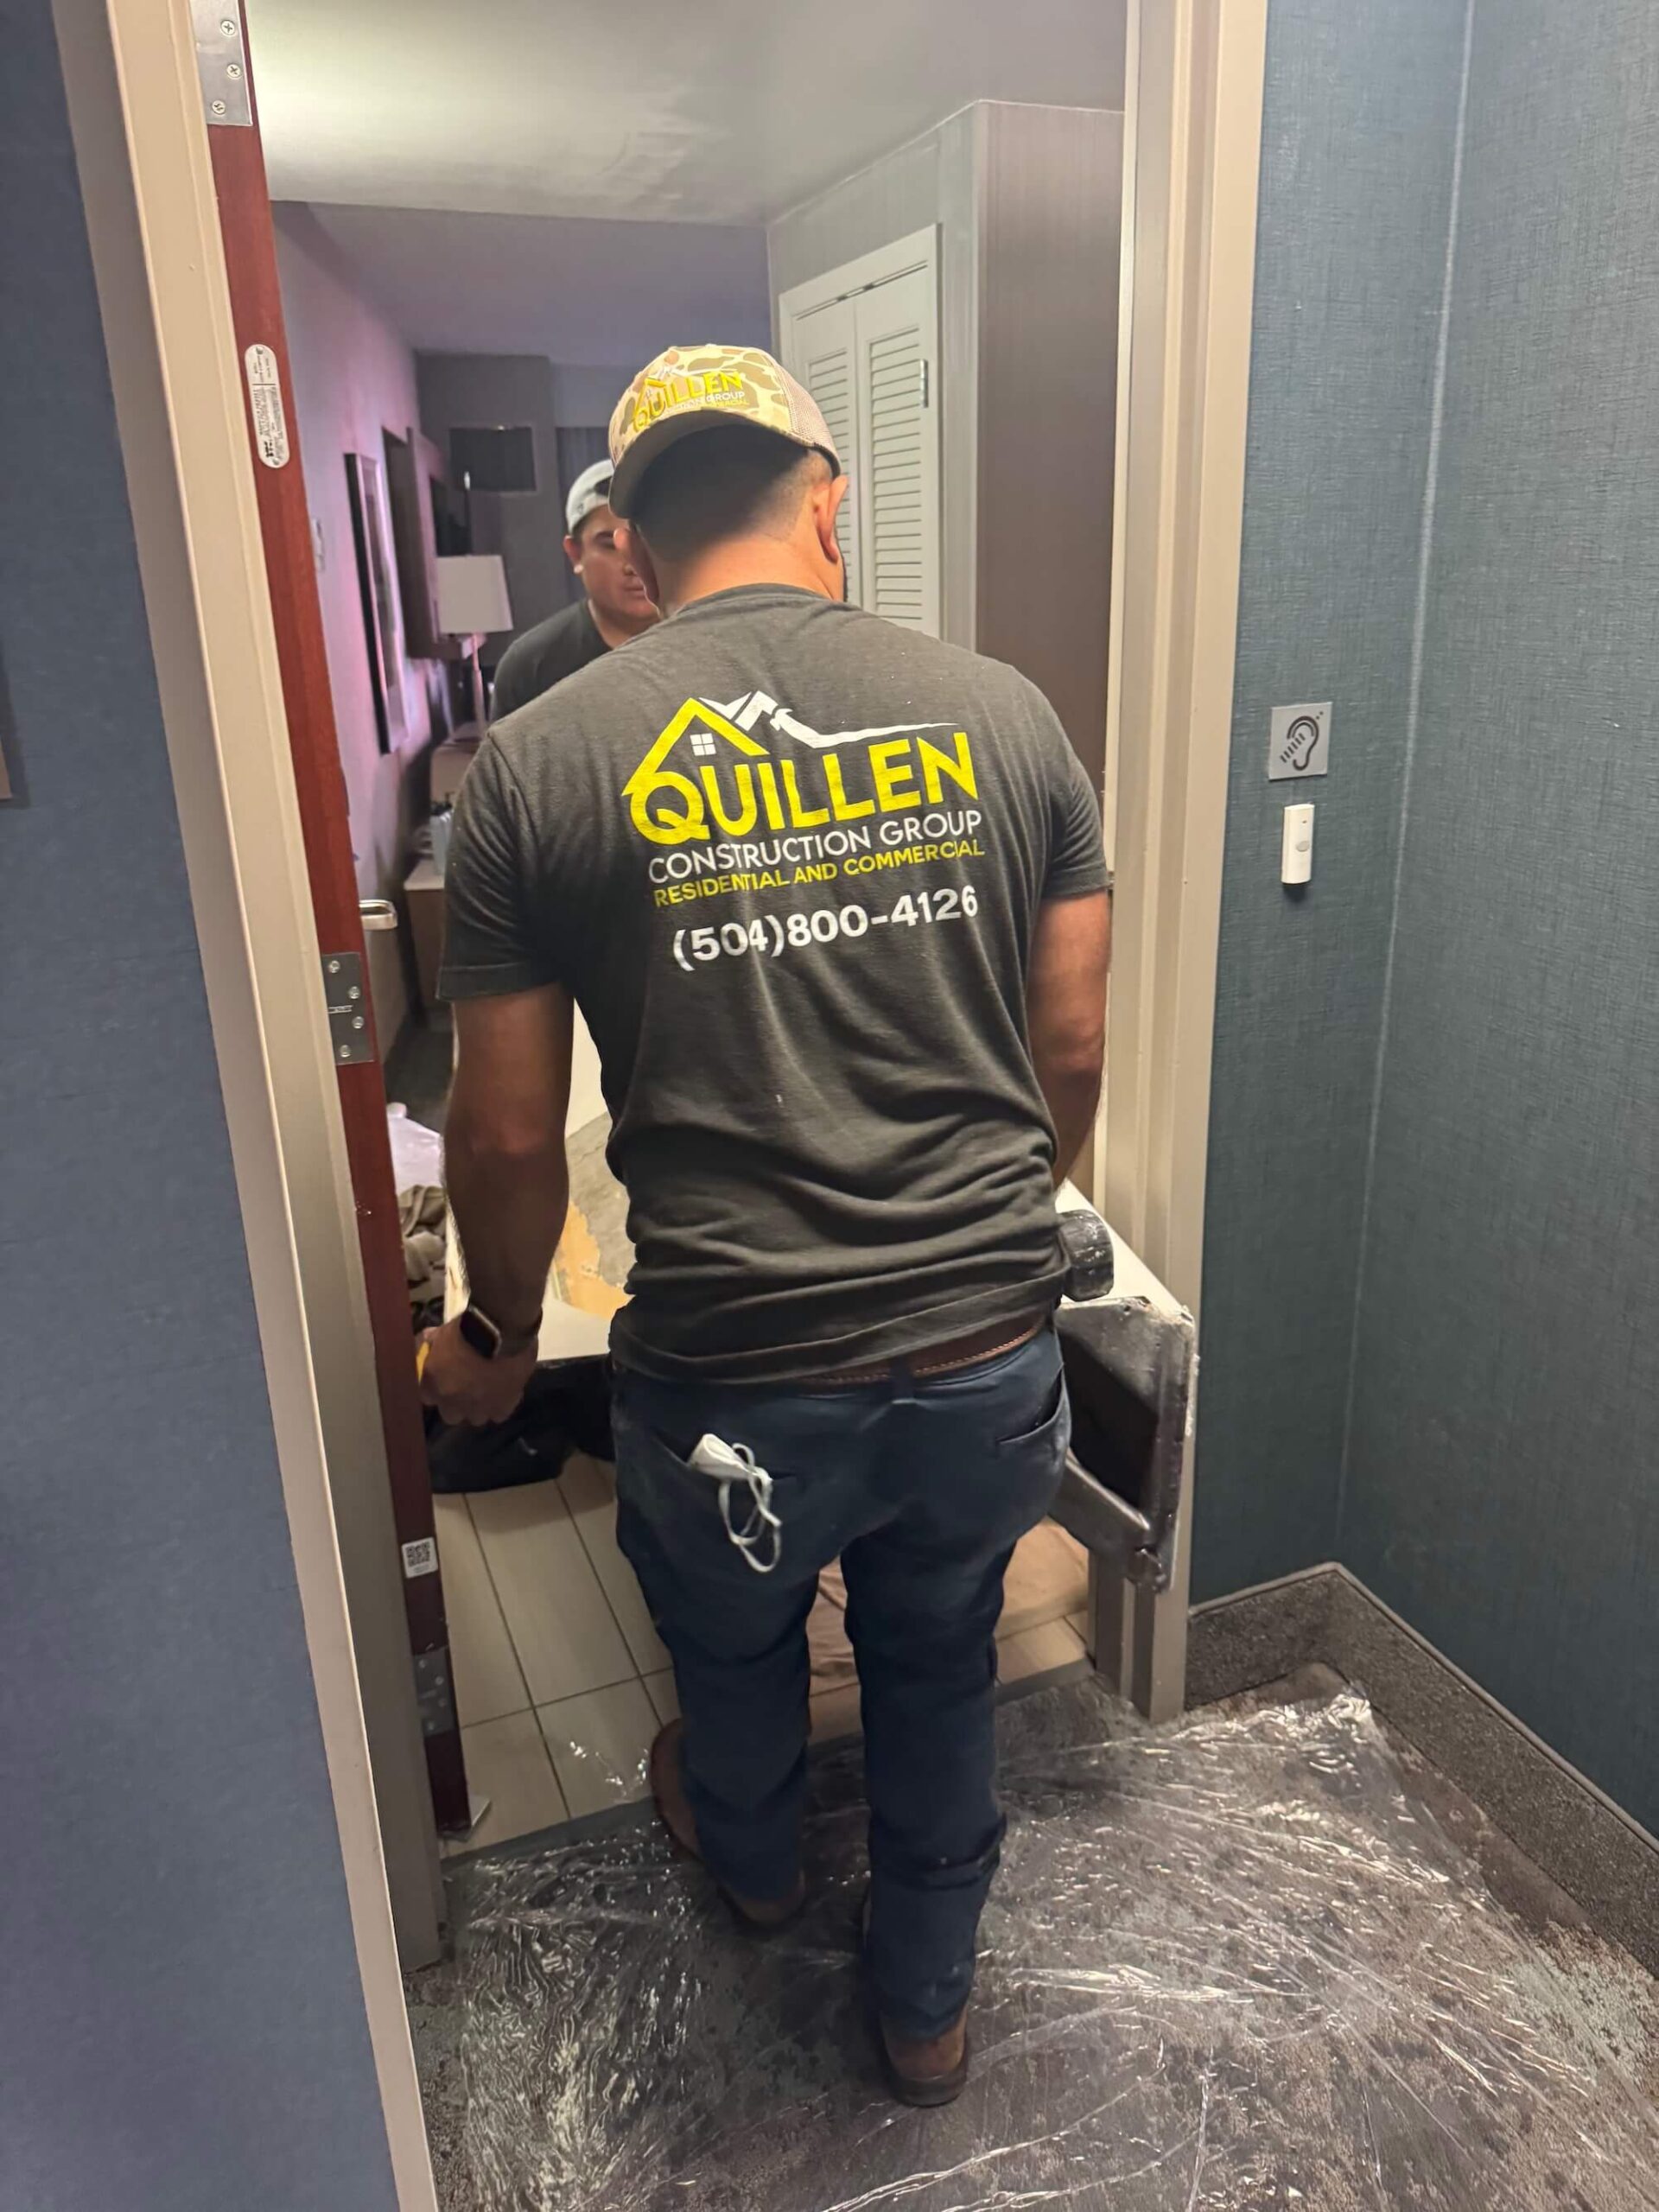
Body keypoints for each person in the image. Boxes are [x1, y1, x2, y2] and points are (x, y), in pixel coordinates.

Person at [423, 343, 1111, 2106]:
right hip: (978, 1353)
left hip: (734, 1370)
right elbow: (1075, 1034)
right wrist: (1004, 1222)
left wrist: (495, 1339)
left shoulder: (540, 759)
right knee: (938, 1655)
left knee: (729, 1649)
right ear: (827, 497)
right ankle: (930, 2003)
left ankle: (757, 1862)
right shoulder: (1007, 710)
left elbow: (501, 1127)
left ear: (632, 541)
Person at [488, 456, 658, 718]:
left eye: (648, 539)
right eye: (610, 544)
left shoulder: (708, 648)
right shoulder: (531, 667)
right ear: (575, 554)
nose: (633, 563)